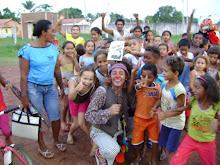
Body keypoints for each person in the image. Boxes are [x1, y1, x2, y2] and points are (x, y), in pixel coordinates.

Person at [18, 20, 66, 158]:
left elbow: (57, 70)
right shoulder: (26, 50)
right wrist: (24, 96)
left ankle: (56, 140)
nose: (54, 33)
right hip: (33, 88)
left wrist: (61, 86)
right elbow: (23, 75)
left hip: (50, 87)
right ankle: (41, 145)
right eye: (51, 30)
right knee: (36, 117)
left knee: (55, 115)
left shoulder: (52, 48)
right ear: (43, 32)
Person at [158, 75, 220, 165]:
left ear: (207, 89)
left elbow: (218, 120)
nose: (193, 90)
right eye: (193, 86)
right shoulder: (194, 100)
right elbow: (185, 108)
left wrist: (216, 121)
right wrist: (169, 112)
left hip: (207, 142)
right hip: (191, 138)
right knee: (176, 161)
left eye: (197, 87)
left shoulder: (216, 105)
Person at [85, 63, 132, 165]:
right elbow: (88, 115)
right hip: (100, 129)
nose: (117, 76)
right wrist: (108, 112)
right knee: (112, 151)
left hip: (118, 126)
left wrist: (137, 86)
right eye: (114, 73)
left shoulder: (125, 91)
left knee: (140, 124)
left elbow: (134, 104)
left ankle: (118, 141)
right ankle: (100, 153)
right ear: (109, 77)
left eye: (121, 73)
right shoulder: (102, 91)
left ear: (126, 77)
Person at [153, 56, 186, 163]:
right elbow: (160, 98)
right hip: (166, 122)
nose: (163, 73)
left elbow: (181, 109)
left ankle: (171, 162)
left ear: (176, 73)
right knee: (163, 143)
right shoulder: (164, 84)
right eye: (163, 70)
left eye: (166, 71)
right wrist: (154, 107)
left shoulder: (179, 90)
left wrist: (166, 114)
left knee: (171, 149)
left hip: (176, 124)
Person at [128, 64, 161, 165]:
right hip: (139, 118)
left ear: (155, 77)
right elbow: (137, 88)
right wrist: (139, 84)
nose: (146, 79)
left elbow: (159, 98)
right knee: (136, 140)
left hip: (153, 119)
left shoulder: (157, 86)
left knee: (155, 140)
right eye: (143, 76)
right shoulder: (139, 85)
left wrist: (155, 107)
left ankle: (153, 159)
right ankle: (138, 156)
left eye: (149, 77)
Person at [67, 66, 96, 152]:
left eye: (90, 79)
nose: (87, 82)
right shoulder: (73, 81)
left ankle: (94, 141)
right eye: (85, 78)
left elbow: (92, 97)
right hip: (74, 101)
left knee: (81, 123)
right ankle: (70, 134)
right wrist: (76, 89)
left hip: (84, 101)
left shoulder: (92, 86)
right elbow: (71, 97)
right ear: (79, 77)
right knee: (76, 124)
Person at [59, 41, 80, 131]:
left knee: (71, 101)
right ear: (63, 49)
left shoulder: (72, 59)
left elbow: (78, 69)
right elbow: (55, 71)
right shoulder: (59, 59)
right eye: (68, 48)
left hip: (71, 82)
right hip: (64, 82)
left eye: (72, 48)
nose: (70, 50)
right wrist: (61, 80)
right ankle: (63, 121)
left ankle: (69, 119)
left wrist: (75, 58)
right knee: (66, 103)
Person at [177, 38, 194, 131]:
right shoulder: (178, 55)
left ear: (189, 49)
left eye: (185, 50)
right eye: (181, 49)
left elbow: (192, 67)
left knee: (187, 104)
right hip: (178, 82)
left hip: (187, 83)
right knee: (179, 102)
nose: (183, 51)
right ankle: (180, 122)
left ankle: (187, 124)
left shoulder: (191, 55)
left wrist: (191, 63)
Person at [0, 74, 12, 145]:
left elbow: (2, 79)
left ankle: (7, 138)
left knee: (6, 131)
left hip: (1, 107)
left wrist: (6, 84)